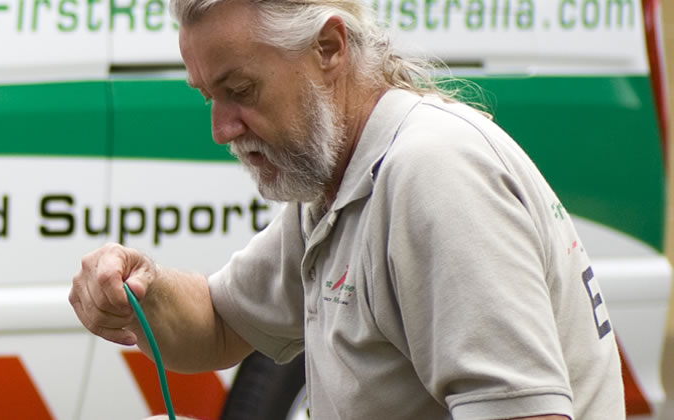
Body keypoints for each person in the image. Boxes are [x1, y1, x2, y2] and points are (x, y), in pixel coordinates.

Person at [68, 0, 625, 418]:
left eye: (241, 89)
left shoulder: (431, 173)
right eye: (208, 96)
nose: (221, 129)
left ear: (330, 47)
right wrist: (141, 292)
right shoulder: (343, 180)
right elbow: (220, 323)